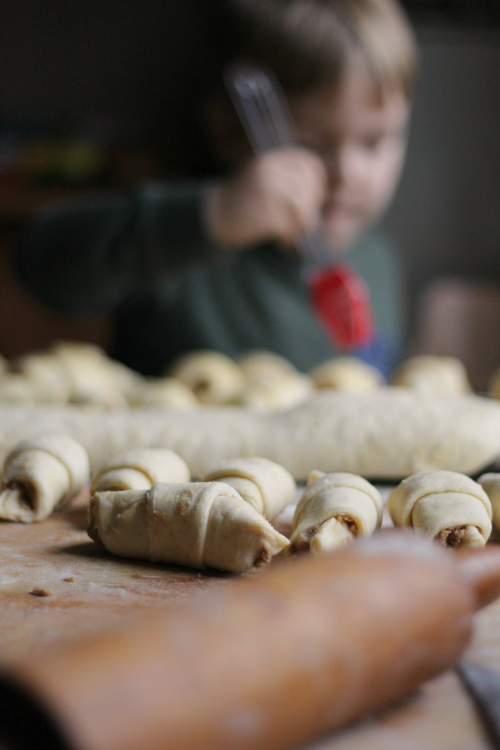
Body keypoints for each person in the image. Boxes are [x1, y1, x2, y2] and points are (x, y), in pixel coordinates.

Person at [14, 0, 417, 378]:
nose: (346, 174)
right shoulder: (184, 247)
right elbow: (40, 263)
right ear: (227, 129)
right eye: (309, 144)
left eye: (373, 142)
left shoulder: (377, 263)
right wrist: (216, 215)